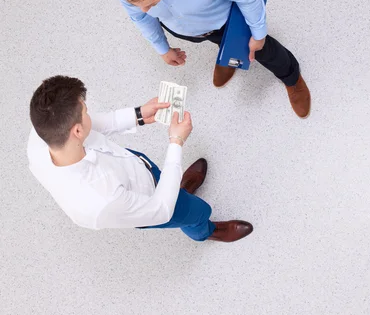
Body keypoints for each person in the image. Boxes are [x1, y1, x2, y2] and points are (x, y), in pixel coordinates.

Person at [27, 76, 253, 242]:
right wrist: (176, 141)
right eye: (85, 111)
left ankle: (178, 188)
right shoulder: (102, 201)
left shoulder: (44, 133)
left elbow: (92, 124)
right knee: (197, 211)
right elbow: (161, 209)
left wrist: (139, 115)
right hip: (146, 202)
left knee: (166, 183)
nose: (89, 114)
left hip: (138, 170)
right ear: (76, 131)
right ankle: (205, 231)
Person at [111, 0, 311, 119]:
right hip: (186, 27)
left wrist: (258, 35)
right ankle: (228, 56)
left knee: (264, 50)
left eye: (152, 3)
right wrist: (162, 48)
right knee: (219, 43)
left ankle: (291, 77)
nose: (147, 11)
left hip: (225, 21)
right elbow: (140, 17)